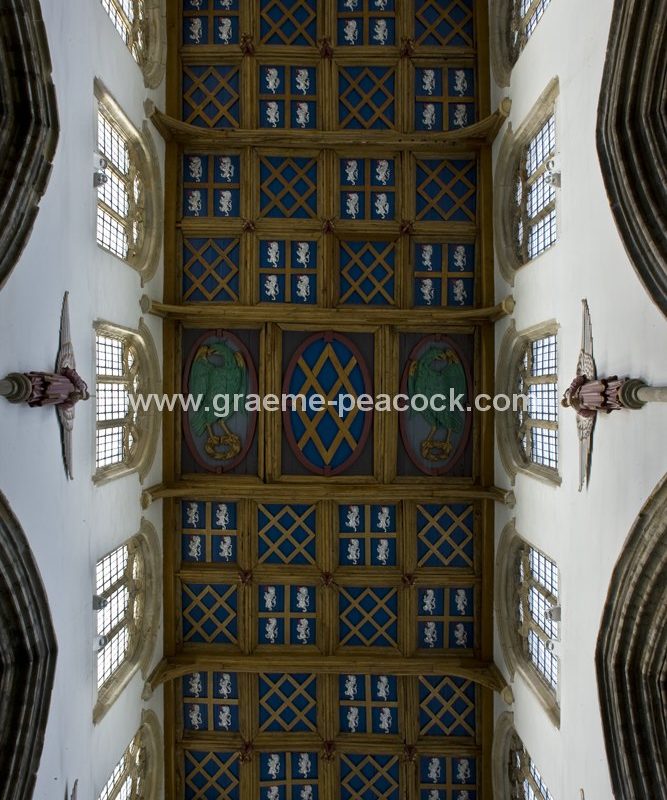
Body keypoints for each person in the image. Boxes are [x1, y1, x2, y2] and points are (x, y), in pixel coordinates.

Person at [561, 373, 625, 417]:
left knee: (604, 388)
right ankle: (620, 399)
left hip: (592, 389)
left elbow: (579, 379)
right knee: (607, 400)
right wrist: (578, 410)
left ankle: (620, 387)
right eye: (566, 404)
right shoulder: (577, 408)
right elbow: (592, 413)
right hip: (594, 402)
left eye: (565, 401)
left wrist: (571, 393)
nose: (567, 402)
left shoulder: (573, 390)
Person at [24, 366, 89, 409]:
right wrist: (81, 387)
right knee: (42, 382)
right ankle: (30, 383)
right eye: (82, 395)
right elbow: (72, 373)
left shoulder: (72, 402)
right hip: (58, 383)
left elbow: (61, 406)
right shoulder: (79, 385)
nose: (80, 396)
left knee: (41, 394)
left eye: (82, 397)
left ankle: (29, 393)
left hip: (53, 396)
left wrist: (71, 400)